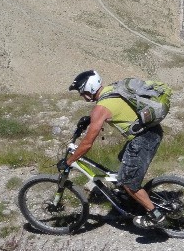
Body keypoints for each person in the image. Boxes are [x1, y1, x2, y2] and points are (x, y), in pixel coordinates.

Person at [62, 70, 167, 229]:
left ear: (90, 88)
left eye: (82, 91)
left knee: (129, 183)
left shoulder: (100, 108)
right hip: (153, 131)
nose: (81, 96)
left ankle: (155, 216)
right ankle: (130, 196)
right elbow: (116, 108)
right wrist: (90, 120)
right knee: (122, 158)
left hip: (143, 139)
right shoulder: (111, 90)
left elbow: (87, 144)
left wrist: (69, 161)